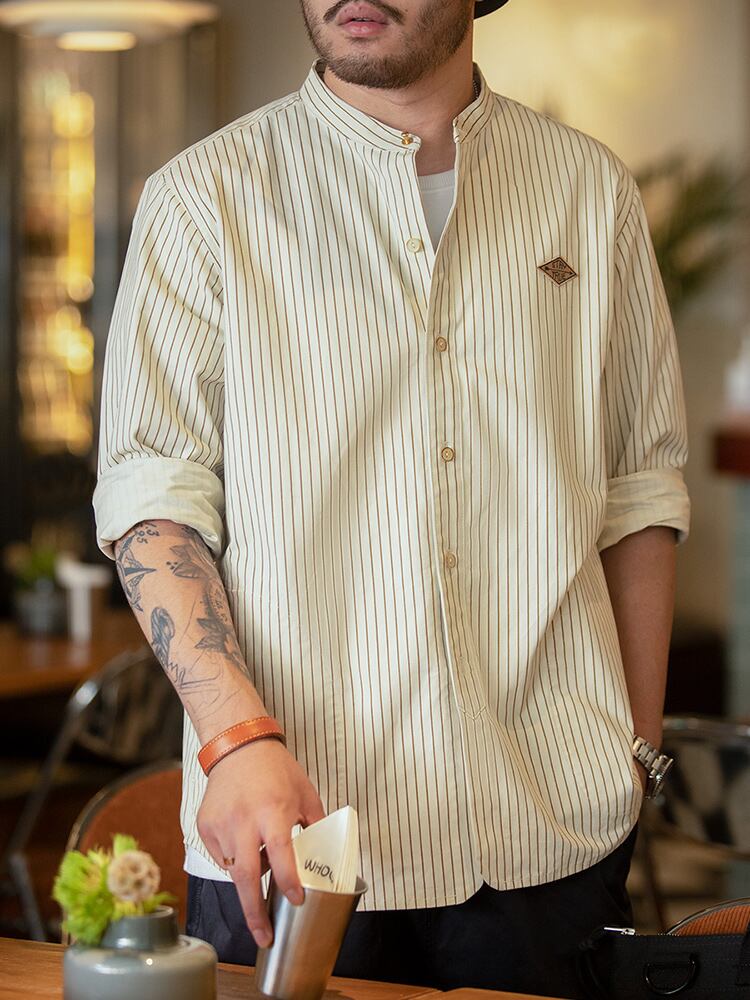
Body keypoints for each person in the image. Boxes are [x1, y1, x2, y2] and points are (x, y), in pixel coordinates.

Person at [92, 0, 690, 995]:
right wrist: (236, 740)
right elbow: (155, 497)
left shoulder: (589, 189)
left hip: (554, 828)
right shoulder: (205, 195)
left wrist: (634, 752)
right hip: (295, 830)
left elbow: (639, 490)